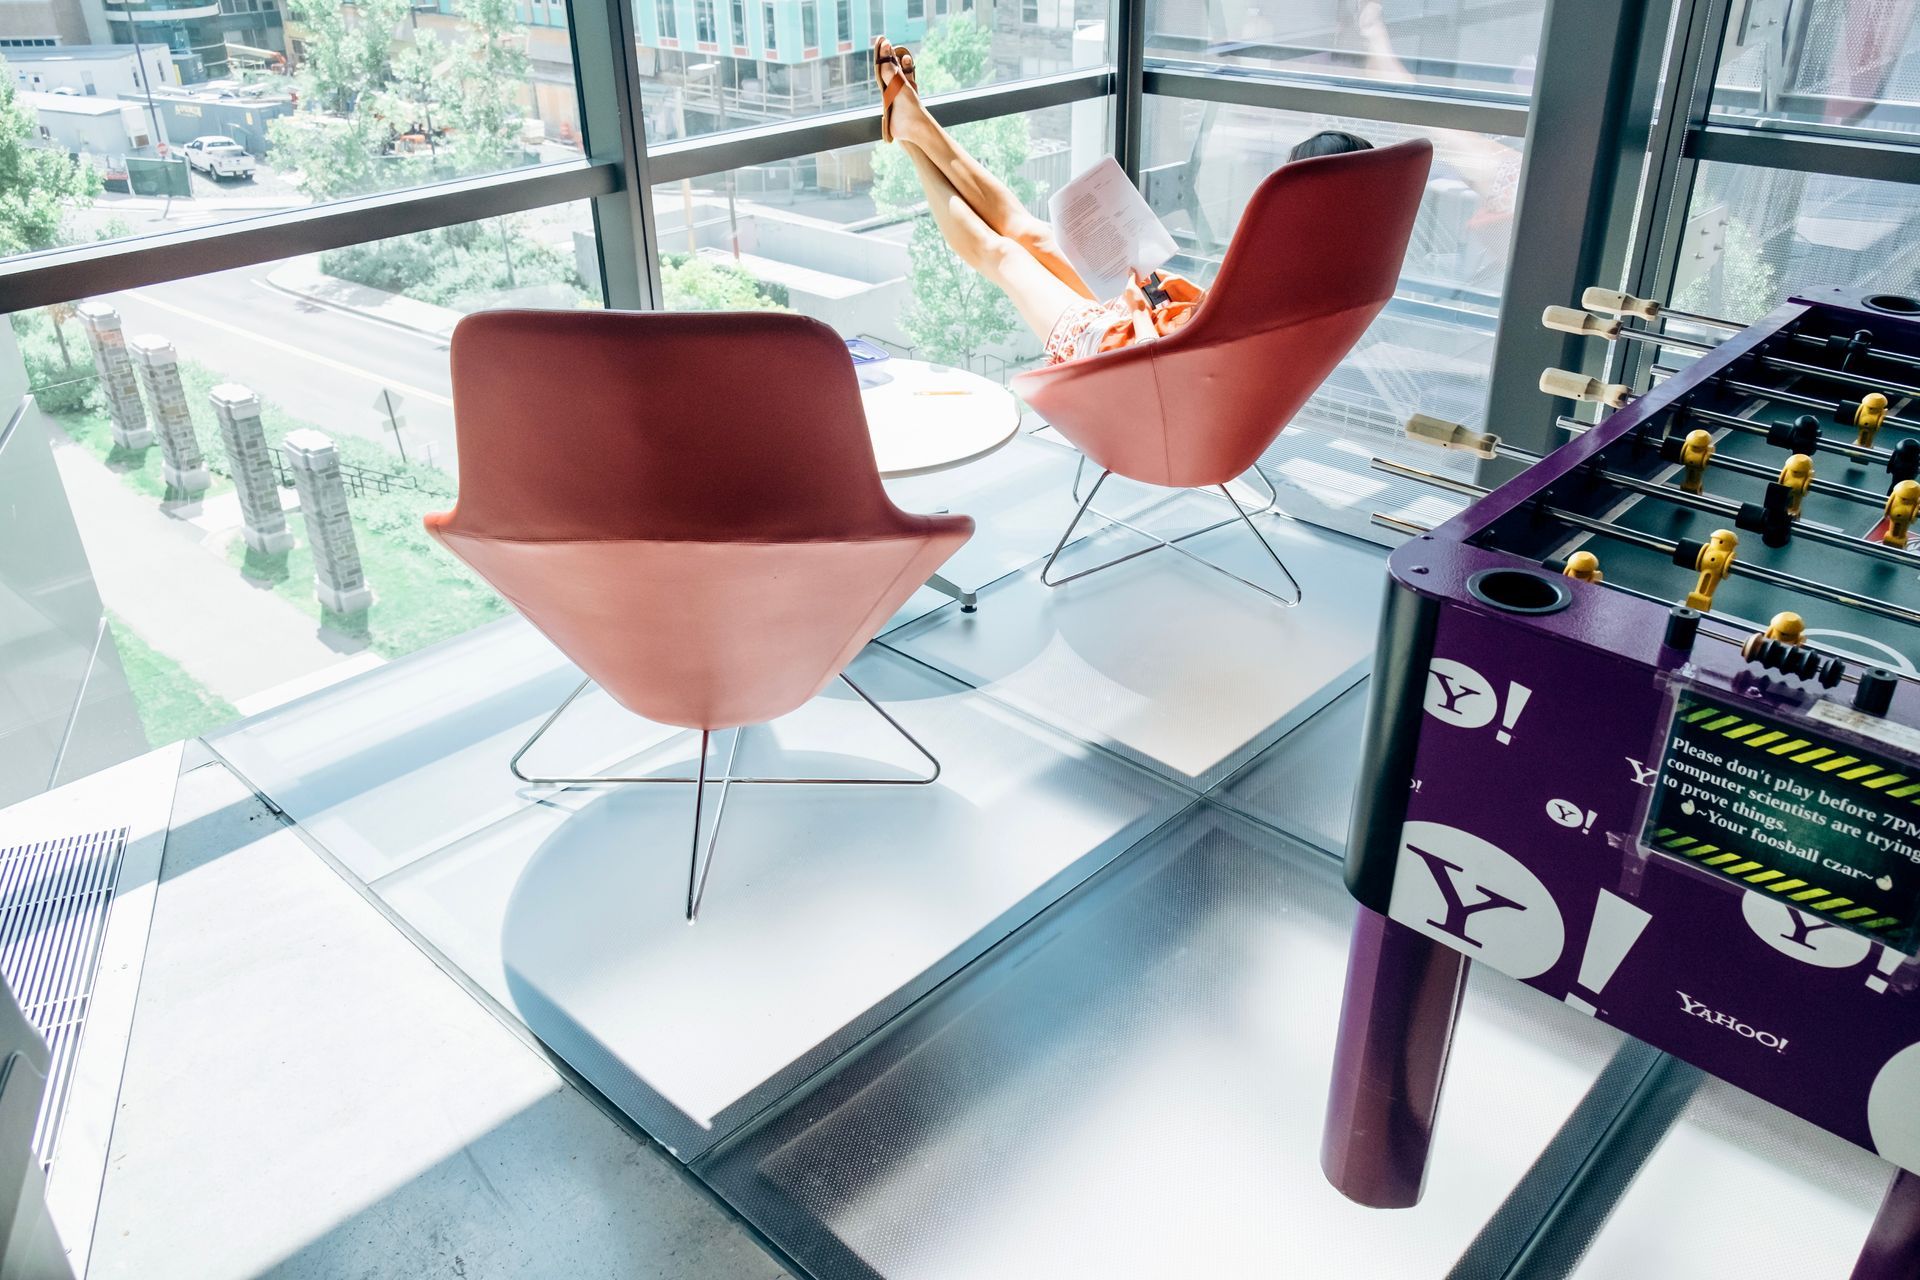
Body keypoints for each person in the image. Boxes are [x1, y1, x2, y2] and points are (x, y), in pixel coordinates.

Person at [873, 37, 1373, 366]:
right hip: (1157, 333)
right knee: (1031, 234)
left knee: (1007, 254)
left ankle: (913, 134)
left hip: (1128, 357)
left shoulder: (1291, 279)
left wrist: (1147, 301)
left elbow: (1203, 353)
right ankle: (914, 123)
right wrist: (1155, 291)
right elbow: (1214, 330)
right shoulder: (1337, 281)